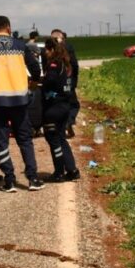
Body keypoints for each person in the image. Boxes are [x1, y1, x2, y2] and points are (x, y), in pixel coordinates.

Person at [0, 16, 43, 192]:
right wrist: (33, 84)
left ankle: (10, 180)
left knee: (1, 139)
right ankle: (33, 178)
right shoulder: (20, 45)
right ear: (8, 27)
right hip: (20, 100)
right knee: (25, 139)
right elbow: (35, 67)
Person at [41, 38, 80, 181]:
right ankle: (72, 169)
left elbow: (50, 81)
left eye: (46, 50)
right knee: (61, 138)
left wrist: (42, 84)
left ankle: (59, 172)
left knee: (53, 139)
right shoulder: (64, 63)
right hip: (64, 106)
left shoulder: (53, 64)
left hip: (54, 108)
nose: (45, 53)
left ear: (51, 50)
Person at [50, 29, 80, 137]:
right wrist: (74, 81)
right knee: (74, 105)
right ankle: (68, 122)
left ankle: (58, 126)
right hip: (67, 80)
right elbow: (74, 65)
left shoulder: (49, 49)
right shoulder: (68, 47)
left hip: (54, 81)